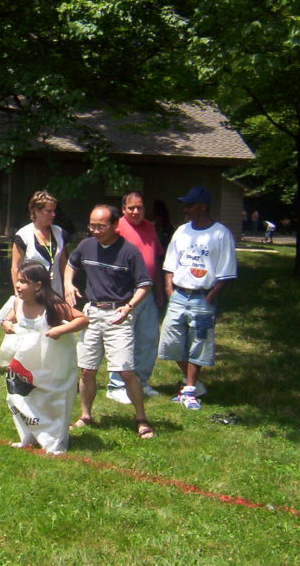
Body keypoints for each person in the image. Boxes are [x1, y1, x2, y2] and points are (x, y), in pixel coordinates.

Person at [65, 205, 156, 439]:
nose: (95, 231)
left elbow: (144, 284)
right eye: (92, 225)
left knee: (126, 371)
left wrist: (129, 307)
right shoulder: (86, 246)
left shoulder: (129, 252)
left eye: (100, 226)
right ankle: (85, 416)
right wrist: (68, 284)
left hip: (118, 316)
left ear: (115, 225)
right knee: (86, 370)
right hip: (92, 314)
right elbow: (70, 265)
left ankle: (142, 419)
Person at [158, 186, 237, 409]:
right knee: (170, 342)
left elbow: (227, 269)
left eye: (190, 205)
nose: (186, 209)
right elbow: (170, 263)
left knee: (198, 343)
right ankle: (194, 383)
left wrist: (212, 295)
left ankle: (190, 389)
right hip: (179, 294)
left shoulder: (220, 234)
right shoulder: (182, 231)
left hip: (203, 297)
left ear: (202, 206)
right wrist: (168, 289)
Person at [0, 262, 88, 454]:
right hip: (27, 359)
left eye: (24, 282)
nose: (18, 285)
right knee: (17, 395)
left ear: (38, 285)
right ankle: (28, 436)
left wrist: (60, 329)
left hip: (53, 360)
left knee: (52, 399)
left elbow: (82, 319)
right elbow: (9, 318)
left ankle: (54, 443)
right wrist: (6, 323)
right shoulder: (17, 302)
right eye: (18, 281)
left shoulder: (53, 306)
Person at [105, 192, 165, 404]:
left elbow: (154, 260)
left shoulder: (149, 227)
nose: (136, 211)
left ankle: (141, 381)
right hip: (124, 294)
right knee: (122, 339)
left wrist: (158, 289)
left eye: (139, 207)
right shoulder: (117, 227)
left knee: (148, 338)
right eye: (131, 208)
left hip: (146, 292)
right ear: (123, 209)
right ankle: (116, 385)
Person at [12, 190, 68, 297]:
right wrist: (18, 293)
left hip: (56, 292)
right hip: (32, 294)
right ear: (36, 211)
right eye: (49, 211)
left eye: (54, 211)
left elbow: (63, 265)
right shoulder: (23, 235)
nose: (53, 215)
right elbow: (15, 267)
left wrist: (67, 287)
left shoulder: (59, 233)